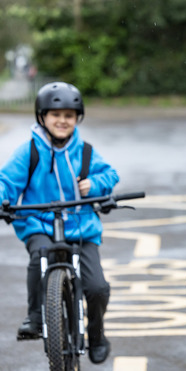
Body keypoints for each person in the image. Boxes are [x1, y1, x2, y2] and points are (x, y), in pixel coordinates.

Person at [0, 82, 119, 364]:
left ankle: (97, 332)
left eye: (69, 115)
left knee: (97, 288)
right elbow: (5, 181)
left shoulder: (85, 151)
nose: (62, 121)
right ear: (42, 117)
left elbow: (110, 175)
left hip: (81, 227)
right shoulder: (29, 151)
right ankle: (34, 316)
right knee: (39, 255)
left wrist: (96, 184)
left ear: (77, 118)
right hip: (39, 223)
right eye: (55, 115)